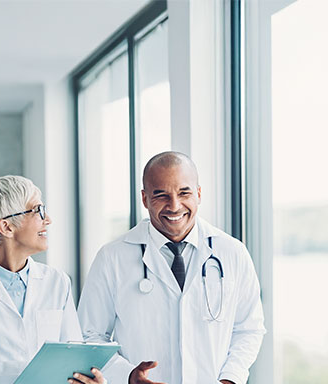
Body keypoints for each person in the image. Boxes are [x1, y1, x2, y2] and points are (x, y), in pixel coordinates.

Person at [78, 151, 265, 384]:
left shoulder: (232, 252)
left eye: (184, 192)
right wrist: (127, 375)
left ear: (198, 193)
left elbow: (248, 329)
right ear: (145, 199)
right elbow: (90, 335)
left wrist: (230, 379)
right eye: (161, 195)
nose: (174, 206)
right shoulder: (112, 257)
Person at [0, 175, 105, 384]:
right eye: (38, 211)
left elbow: (73, 355)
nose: (48, 220)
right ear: (6, 227)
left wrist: (87, 379)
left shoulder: (57, 281)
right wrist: (33, 370)